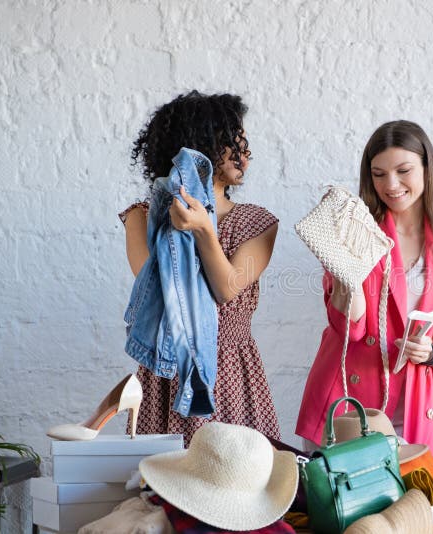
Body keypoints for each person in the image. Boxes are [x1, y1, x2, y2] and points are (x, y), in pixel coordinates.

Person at [296, 120, 433, 459]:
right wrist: (348, 272)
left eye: (403, 170)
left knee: (407, 508)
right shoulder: (355, 233)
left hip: (411, 409)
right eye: (379, 173)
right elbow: (350, 330)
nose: (392, 184)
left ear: (428, 169)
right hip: (345, 409)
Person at [120, 90, 280, 446]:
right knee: (165, 490)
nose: (245, 155)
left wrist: (205, 229)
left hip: (232, 375)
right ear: (200, 147)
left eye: (245, 143)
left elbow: (226, 288)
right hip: (167, 368)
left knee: (236, 484)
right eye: (233, 143)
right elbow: (160, 288)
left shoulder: (257, 223)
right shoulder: (140, 217)